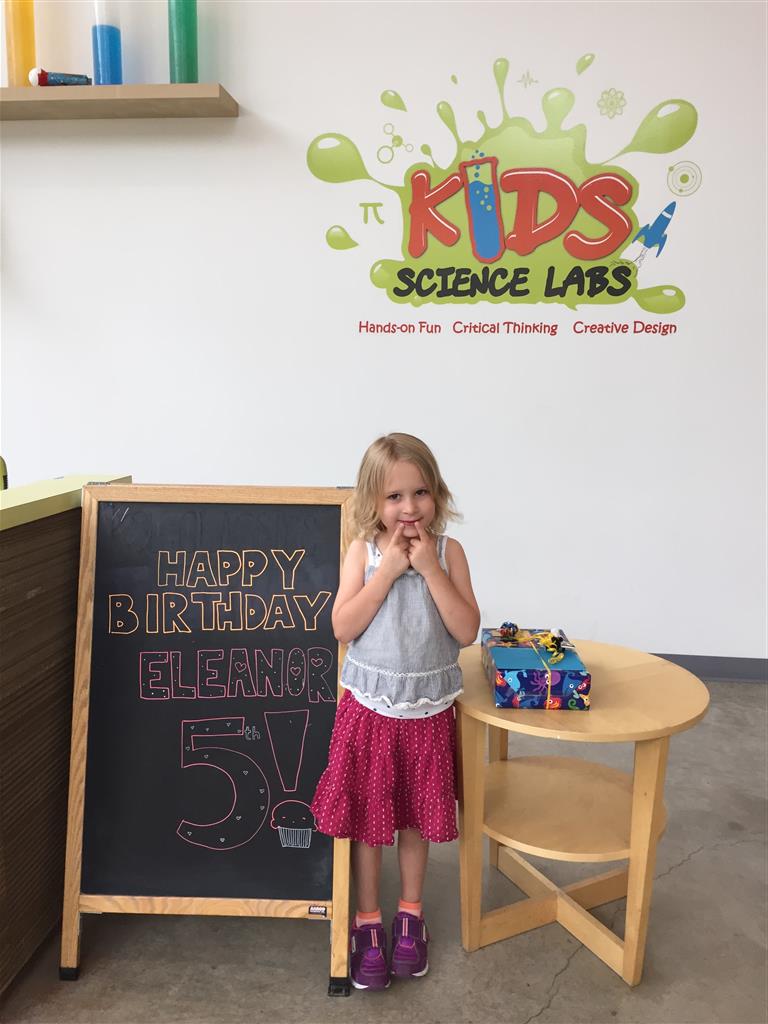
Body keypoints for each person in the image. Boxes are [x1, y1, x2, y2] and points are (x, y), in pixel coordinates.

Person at [311, 432, 480, 991]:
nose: (409, 508)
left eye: (420, 492)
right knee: (368, 823)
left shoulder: (449, 553)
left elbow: (466, 630)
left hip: (427, 716)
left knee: (413, 819)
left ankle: (410, 916)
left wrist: (430, 569)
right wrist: (385, 573)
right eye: (394, 497)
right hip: (370, 714)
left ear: (438, 494)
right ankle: (367, 921)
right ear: (372, 501)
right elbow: (342, 627)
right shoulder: (363, 553)